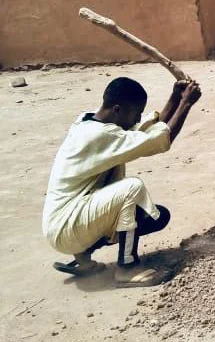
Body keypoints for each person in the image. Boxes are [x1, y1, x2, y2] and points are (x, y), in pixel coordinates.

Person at [43, 76, 201, 286]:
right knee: (131, 189)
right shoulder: (98, 136)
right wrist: (186, 104)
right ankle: (127, 268)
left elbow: (144, 132)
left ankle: (83, 258)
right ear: (117, 109)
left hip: (66, 223)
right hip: (67, 227)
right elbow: (161, 139)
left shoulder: (90, 121)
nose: (137, 119)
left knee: (156, 216)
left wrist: (174, 98)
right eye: (135, 114)